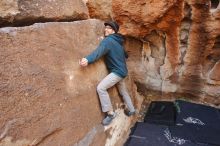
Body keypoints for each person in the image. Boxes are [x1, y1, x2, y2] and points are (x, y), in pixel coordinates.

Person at [79, 21, 136, 126]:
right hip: (123, 72)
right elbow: (125, 55)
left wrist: (87, 59)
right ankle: (132, 109)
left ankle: (110, 114)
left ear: (113, 31)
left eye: (109, 28)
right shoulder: (119, 42)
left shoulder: (108, 41)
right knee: (123, 92)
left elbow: (99, 52)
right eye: (105, 27)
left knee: (101, 88)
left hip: (117, 72)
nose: (105, 29)